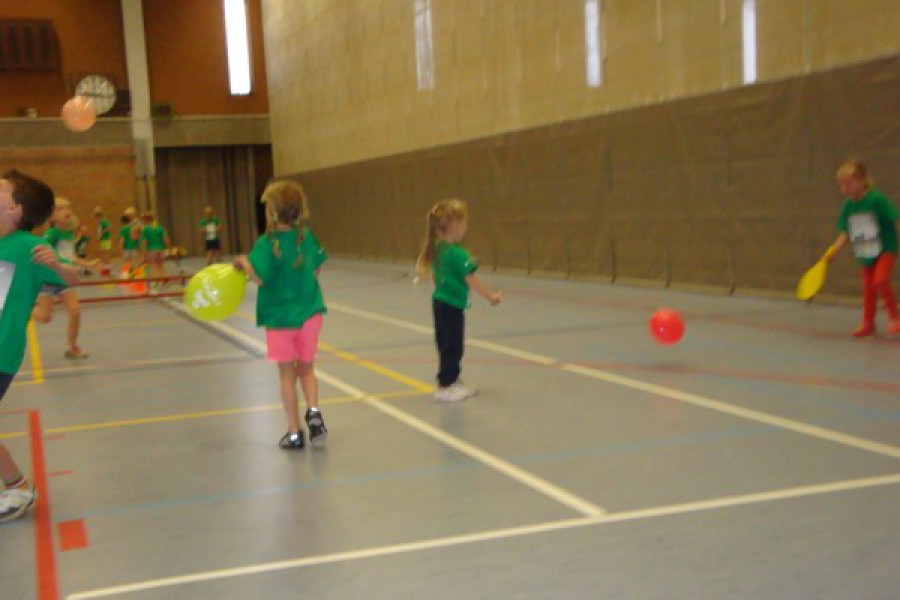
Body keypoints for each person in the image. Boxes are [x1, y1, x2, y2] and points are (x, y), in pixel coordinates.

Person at [0, 170, 79, 522]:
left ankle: (18, 486)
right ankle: (16, 484)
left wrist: (60, 267)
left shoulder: (31, 247)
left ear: (15, 209)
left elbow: (72, 279)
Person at [233, 180, 328, 450]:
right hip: (310, 315)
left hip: (280, 321)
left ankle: (295, 432)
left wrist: (244, 263)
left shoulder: (266, 243)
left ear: (272, 213)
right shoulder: (306, 237)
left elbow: (260, 278)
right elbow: (316, 269)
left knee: (287, 374)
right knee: (307, 369)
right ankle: (314, 412)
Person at [416, 199, 503, 403]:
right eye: (463, 223)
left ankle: (452, 380)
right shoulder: (456, 252)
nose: (466, 228)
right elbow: (470, 278)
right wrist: (490, 296)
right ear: (452, 226)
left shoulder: (439, 248)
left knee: (451, 344)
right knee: (451, 346)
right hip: (449, 305)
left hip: (445, 304)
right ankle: (445, 386)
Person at [824, 159, 900, 338]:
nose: (845, 189)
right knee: (867, 288)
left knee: (880, 280)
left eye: (848, 184)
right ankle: (868, 323)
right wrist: (835, 249)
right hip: (866, 252)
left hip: (886, 248)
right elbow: (846, 232)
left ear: (861, 180)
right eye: (841, 185)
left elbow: (894, 218)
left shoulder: (876, 199)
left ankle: (895, 317)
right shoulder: (848, 207)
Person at [33, 198, 95, 359]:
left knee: (75, 311)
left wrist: (88, 263)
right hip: (48, 278)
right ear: (52, 216)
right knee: (45, 318)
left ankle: (72, 346)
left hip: (63, 277)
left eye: (68, 207)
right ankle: (24, 309)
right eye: (60, 209)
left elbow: (68, 256)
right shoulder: (51, 234)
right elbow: (41, 253)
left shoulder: (68, 233)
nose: (66, 211)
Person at [139, 211, 170, 285]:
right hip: (161, 249)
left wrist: (143, 254)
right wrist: (169, 248)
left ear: (146, 220)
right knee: (161, 266)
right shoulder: (159, 227)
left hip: (151, 250)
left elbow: (145, 242)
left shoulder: (145, 229)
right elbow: (166, 238)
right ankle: (165, 279)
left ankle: (156, 282)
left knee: (154, 266)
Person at [119, 207, 141, 275]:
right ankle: (135, 273)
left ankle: (130, 273)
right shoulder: (136, 224)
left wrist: (121, 249)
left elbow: (122, 240)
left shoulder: (124, 228)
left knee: (128, 261)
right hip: (135, 246)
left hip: (128, 247)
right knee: (135, 261)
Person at [92, 206, 112, 272]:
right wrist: (99, 236)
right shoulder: (99, 222)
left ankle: (108, 266)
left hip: (106, 239)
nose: (94, 218)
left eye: (95, 216)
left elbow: (109, 228)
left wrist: (102, 233)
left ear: (98, 216)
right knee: (103, 253)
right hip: (102, 239)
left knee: (106, 253)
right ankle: (106, 265)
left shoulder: (103, 221)